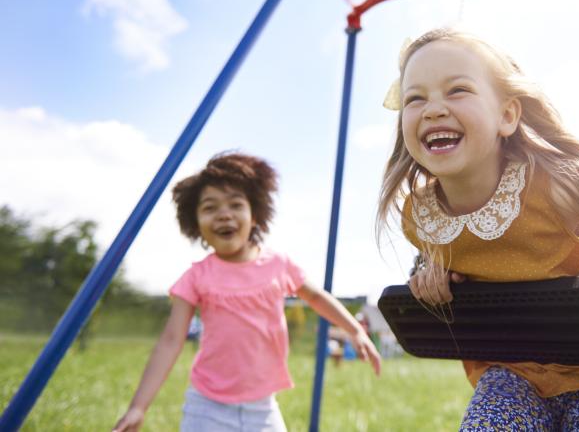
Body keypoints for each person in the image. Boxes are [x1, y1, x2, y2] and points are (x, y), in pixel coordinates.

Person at [376, 28, 579, 431]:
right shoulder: (420, 215)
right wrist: (433, 277)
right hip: (509, 368)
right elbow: (455, 259)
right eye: (416, 98)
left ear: (507, 115)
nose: (433, 109)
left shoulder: (552, 188)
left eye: (457, 90)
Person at [113, 152, 381, 432]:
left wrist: (355, 330)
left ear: (254, 216)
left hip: (262, 408)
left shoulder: (278, 265)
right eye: (210, 207)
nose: (224, 214)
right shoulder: (196, 277)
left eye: (235, 205)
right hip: (206, 407)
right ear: (196, 224)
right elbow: (170, 340)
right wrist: (138, 407)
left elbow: (316, 297)